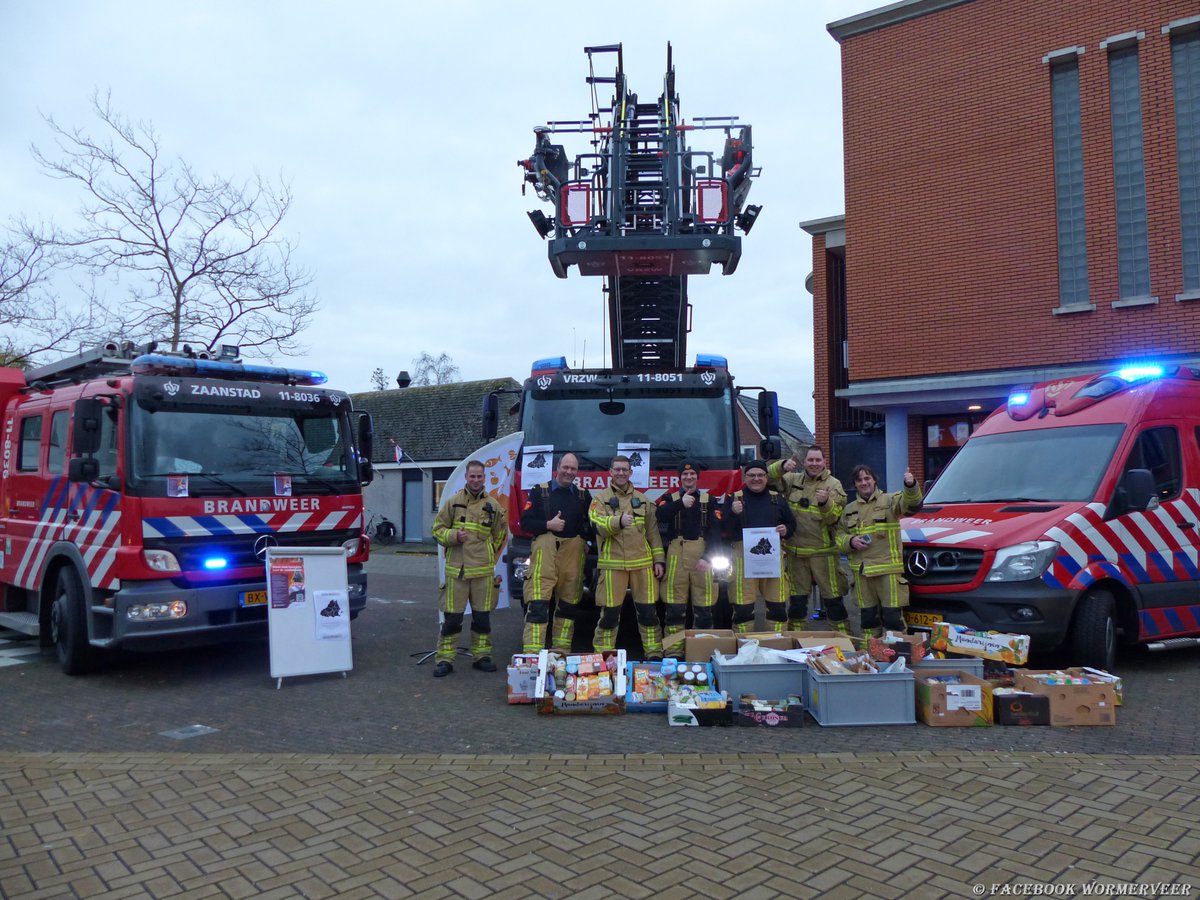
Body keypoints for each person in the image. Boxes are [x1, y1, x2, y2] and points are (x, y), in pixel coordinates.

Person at [430, 460, 508, 677]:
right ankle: (445, 659)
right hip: (458, 572)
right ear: (466, 477)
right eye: (472, 476)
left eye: (479, 476)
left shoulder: (494, 505)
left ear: (484, 478)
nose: (475, 480)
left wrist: (487, 552)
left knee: (482, 619)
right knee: (452, 618)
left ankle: (481, 656)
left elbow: (501, 534)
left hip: (483, 573)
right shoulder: (453, 502)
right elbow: (437, 530)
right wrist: (454, 536)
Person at [589, 455, 666, 658]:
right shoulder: (599, 499)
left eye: (625, 470)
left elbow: (653, 533)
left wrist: (659, 560)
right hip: (612, 566)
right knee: (610, 615)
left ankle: (654, 653)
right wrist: (618, 522)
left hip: (643, 566)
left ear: (631, 473)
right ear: (610, 472)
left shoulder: (642, 500)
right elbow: (598, 526)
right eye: (617, 469)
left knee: (648, 612)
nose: (621, 473)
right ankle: (603, 655)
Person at [767, 445, 849, 633]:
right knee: (797, 603)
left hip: (824, 554)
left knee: (833, 601)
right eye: (810, 460)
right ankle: (796, 641)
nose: (814, 464)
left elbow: (835, 518)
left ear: (824, 462)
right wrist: (781, 466)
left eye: (818, 460)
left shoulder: (834, 484)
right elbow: (767, 479)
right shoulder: (793, 479)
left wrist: (825, 502)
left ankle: (845, 639)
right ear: (804, 462)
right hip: (796, 553)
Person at [836, 464, 923, 638]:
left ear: (875, 480)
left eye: (867, 478)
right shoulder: (849, 509)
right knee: (868, 620)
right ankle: (871, 658)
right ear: (855, 484)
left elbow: (912, 503)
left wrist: (911, 485)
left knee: (892, 619)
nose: (864, 482)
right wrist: (851, 541)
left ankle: (898, 656)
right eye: (859, 480)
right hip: (862, 573)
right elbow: (838, 537)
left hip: (887, 572)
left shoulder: (890, 501)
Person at [520, 452, 592, 654]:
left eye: (573, 469)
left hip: (572, 557)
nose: (569, 472)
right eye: (565, 467)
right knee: (538, 604)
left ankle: (561, 651)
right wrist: (547, 524)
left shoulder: (583, 496)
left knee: (568, 607)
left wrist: (586, 541)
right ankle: (532, 654)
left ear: (577, 472)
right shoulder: (538, 492)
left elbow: (591, 525)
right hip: (545, 556)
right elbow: (525, 523)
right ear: (557, 467)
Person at [718, 459, 796, 634]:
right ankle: (743, 646)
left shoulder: (777, 499)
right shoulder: (735, 499)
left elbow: (792, 525)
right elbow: (723, 530)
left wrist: (786, 529)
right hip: (743, 563)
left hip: (772, 561)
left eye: (760, 475)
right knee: (743, 610)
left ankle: (777, 644)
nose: (756, 479)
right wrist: (732, 513)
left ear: (767, 478)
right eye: (752, 475)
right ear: (745, 478)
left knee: (777, 609)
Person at [656, 460, 722, 636]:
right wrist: (680, 503)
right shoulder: (669, 498)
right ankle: (673, 652)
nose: (688, 477)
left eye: (692, 473)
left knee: (704, 609)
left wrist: (707, 558)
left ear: (697, 476)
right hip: (676, 557)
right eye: (684, 474)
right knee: (674, 609)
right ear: (680, 478)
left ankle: (700, 649)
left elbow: (716, 532)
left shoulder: (709, 500)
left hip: (702, 558)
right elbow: (658, 516)